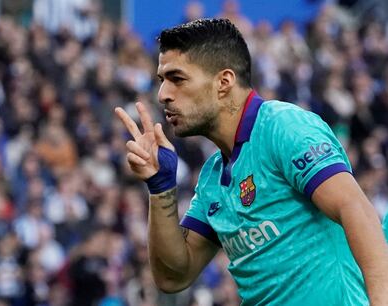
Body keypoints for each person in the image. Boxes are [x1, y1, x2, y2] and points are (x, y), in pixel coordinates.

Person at [115, 18, 388, 305]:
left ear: (224, 82)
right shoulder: (212, 176)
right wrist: (160, 188)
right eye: (161, 81)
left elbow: (355, 208)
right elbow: (173, 276)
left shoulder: (283, 127)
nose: (163, 95)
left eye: (177, 79)